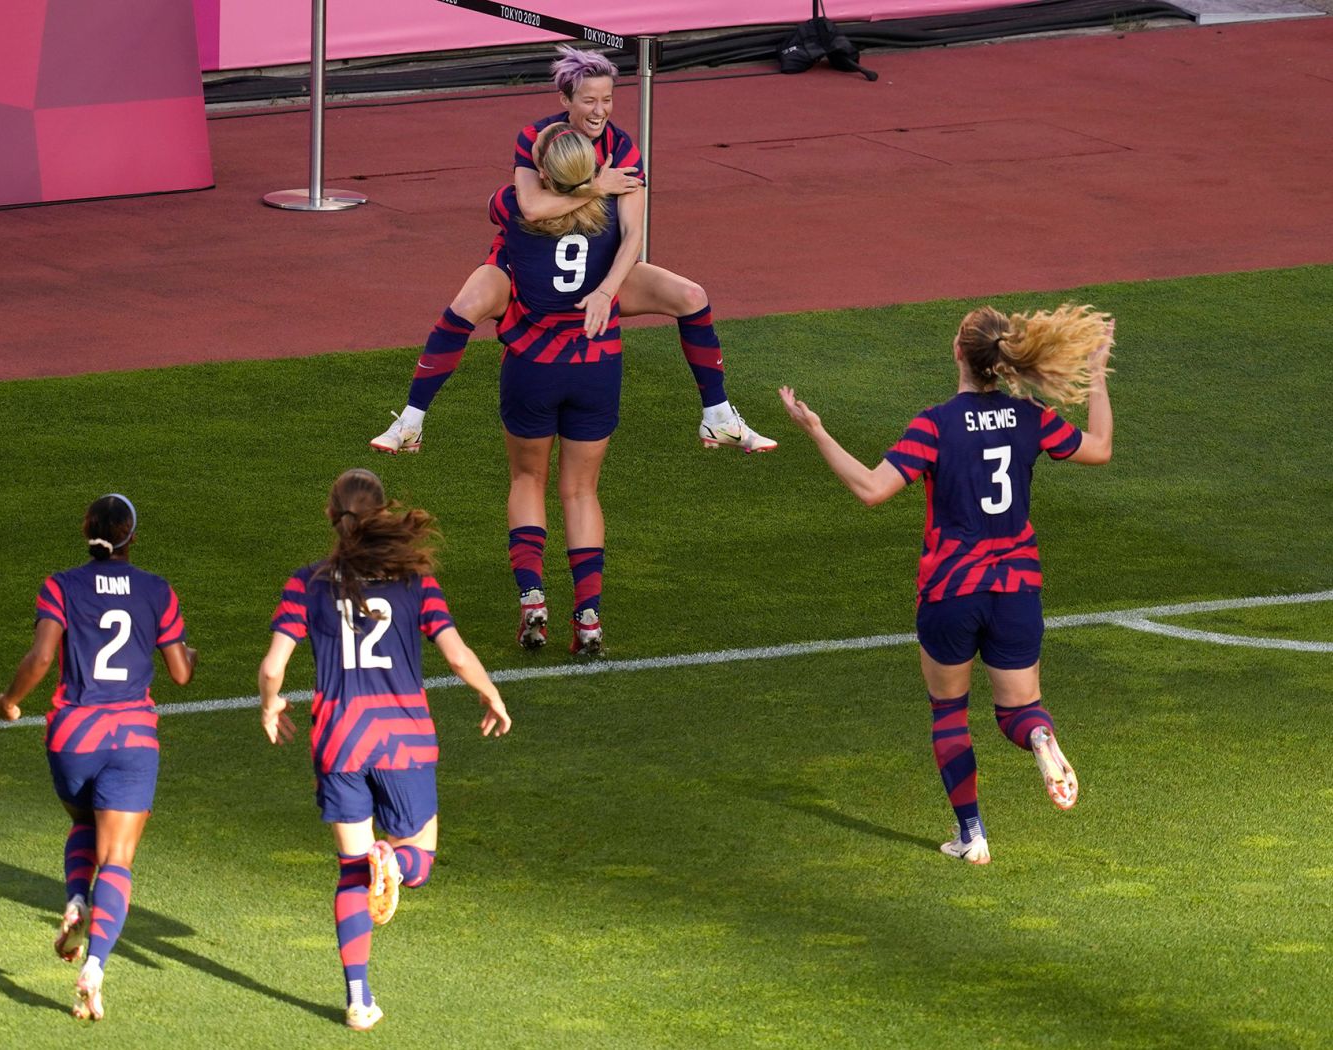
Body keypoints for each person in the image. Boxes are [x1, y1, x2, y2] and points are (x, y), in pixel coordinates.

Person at [779, 305, 1115, 864]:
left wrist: (815, 430)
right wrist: (1096, 374)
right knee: (1017, 710)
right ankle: (1038, 736)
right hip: (1015, 588)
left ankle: (972, 835)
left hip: (951, 590)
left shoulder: (934, 424)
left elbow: (871, 489)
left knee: (949, 712)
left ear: (958, 352)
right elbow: (1099, 449)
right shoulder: (1031, 418)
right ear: (1003, 358)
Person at [370, 44, 775, 457]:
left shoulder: (624, 150)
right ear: (565, 100)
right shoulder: (537, 139)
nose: (600, 111)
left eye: (607, 99)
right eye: (589, 100)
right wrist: (598, 187)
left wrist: (606, 291)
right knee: (466, 305)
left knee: (691, 297)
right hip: (520, 263)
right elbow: (532, 207)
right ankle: (411, 421)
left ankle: (718, 416)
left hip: (598, 267)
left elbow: (634, 234)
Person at [257, 468, 510, 1032]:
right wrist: (490, 694)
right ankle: (394, 860)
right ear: (383, 513)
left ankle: (358, 999)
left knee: (351, 871)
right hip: (403, 738)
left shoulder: (306, 582)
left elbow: (274, 665)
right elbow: (458, 654)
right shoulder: (415, 580)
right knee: (416, 863)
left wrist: (271, 705)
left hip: (338, 739)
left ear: (331, 516)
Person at [0, 493, 198, 1019]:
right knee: (119, 858)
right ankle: (96, 967)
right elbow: (179, 673)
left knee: (84, 818)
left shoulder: (61, 585)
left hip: (72, 738)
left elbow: (41, 656)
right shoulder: (157, 591)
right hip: (131, 740)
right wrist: (189, 654)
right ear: (133, 536)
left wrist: (9, 700)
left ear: (87, 533)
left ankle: (75, 899)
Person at [485, 123, 625, 653]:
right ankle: (588, 616)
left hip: (532, 365)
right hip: (597, 362)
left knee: (526, 479)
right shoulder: (612, 215)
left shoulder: (516, 209)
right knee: (582, 491)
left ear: (543, 173)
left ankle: (533, 598)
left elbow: (505, 202)